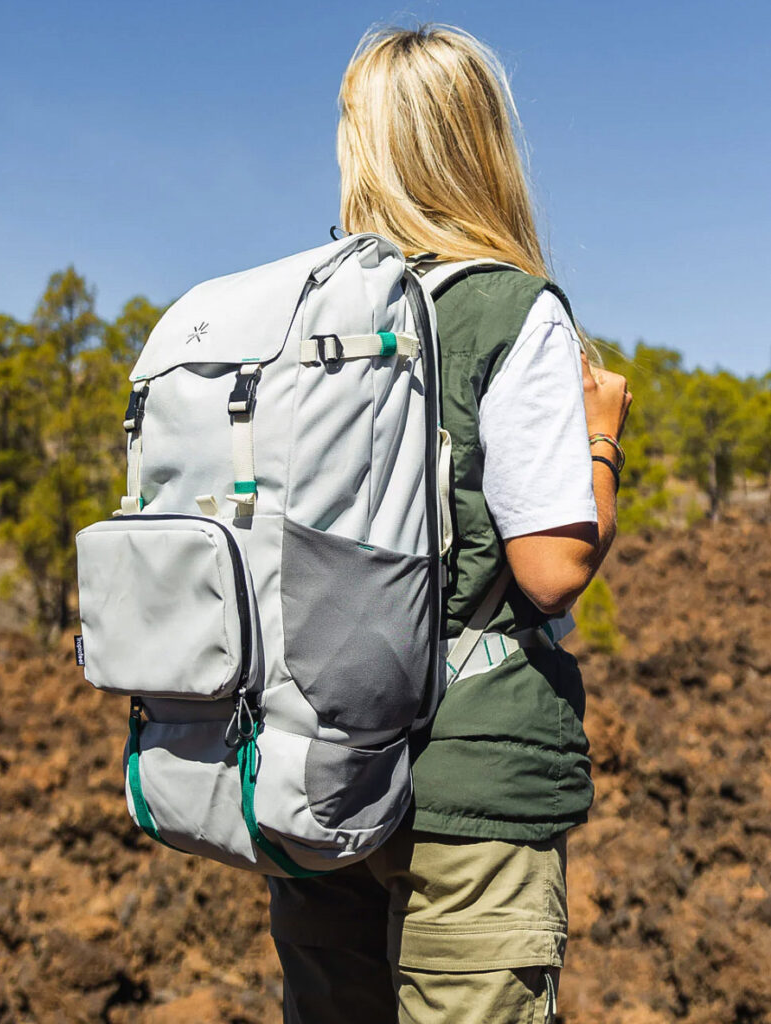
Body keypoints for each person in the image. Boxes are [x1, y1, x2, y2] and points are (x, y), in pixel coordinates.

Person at [267, 24, 632, 1024]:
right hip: (466, 791)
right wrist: (601, 438)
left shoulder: (304, 324)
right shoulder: (509, 310)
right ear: (479, 144)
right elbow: (552, 567)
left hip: (321, 775)